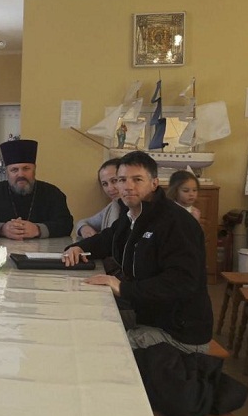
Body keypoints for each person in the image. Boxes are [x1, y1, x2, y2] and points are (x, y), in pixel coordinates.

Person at [63, 151, 212, 353]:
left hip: (179, 332)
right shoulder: (132, 214)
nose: (128, 186)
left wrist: (122, 288)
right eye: (122, 180)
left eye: (137, 179)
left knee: (97, 346)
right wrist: (79, 247)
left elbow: (182, 281)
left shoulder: (176, 222)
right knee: (83, 318)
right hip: (148, 314)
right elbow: (109, 238)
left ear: (154, 183)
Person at [0, 139, 73, 240]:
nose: (20, 174)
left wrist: (38, 229)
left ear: (34, 169)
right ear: (7, 172)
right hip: (1, 248)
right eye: (14, 170)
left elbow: (66, 224)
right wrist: (2, 229)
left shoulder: (52, 193)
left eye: (26, 168)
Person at [75, 158, 121, 239]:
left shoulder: (137, 210)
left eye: (114, 181)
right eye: (105, 184)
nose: (110, 188)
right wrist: (83, 228)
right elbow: (83, 222)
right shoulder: (111, 208)